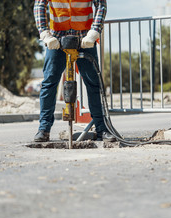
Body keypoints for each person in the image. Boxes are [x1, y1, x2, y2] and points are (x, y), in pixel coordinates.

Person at [33, 0, 115, 142]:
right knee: (49, 83)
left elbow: (101, 4)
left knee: (93, 83)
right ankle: (43, 129)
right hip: (57, 37)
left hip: (84, 37)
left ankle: (102, 129)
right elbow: (39, 4)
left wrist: (95, 31)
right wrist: (45, 33)